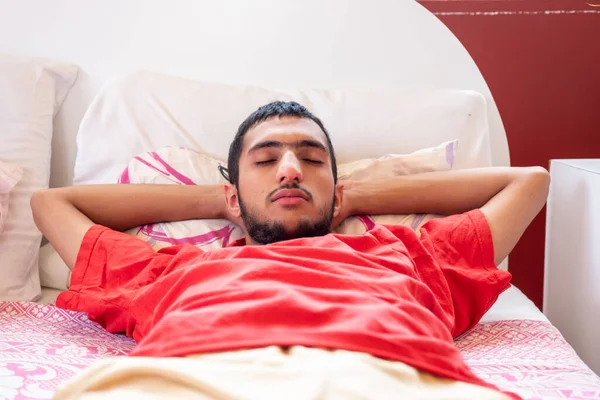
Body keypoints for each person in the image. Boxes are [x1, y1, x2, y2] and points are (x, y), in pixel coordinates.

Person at [32, 101, 549, 400]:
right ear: (233, 191)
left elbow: (529, 182)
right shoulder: (173, 268)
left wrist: (350, 198)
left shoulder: (404, 253)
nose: (290, 169)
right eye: (265, 161)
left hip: (392, 379)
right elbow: (52, 203)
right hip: (186, 377)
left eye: (310, 160)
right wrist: (223, 200)